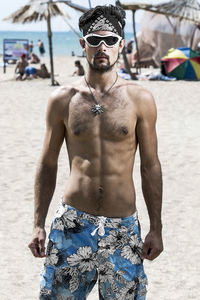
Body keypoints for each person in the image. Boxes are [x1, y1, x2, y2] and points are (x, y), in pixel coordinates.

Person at [29, 5, 163, 300]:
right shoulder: (62, 99)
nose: (102, 47)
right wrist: (38, 224)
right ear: (83, 44)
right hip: (72, 226)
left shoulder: (140, 99)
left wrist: (156, 227)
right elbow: (47, 163)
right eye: (94, 40)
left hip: (123, 228)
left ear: (121, 45)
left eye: (110, 40)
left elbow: (150, 166)